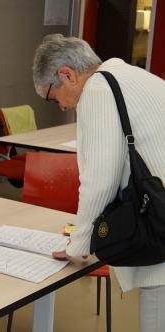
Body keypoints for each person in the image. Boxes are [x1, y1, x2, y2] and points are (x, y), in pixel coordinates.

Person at [33, 34, 165, 332]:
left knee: (157, 306)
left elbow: (99, 178)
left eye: (53, 96)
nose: (61, 106)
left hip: (159, 222)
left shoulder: (97, 90)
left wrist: (79, 244)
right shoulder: (129, 74)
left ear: (67, 74)